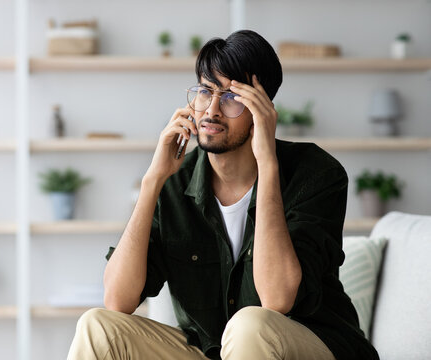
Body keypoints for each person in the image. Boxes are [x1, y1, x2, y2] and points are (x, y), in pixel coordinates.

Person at [68, 30, 379, 360]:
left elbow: (276, 300)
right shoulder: (175, 181)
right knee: (97, 326)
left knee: (250, 325)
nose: (212, 110)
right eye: (205, 91)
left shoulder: (317, 173)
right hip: (213, 351)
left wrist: (268, 166)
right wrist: (152, 181)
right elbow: (118, 299)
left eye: (231, 97)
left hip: (311, 346)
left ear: (263, 108)